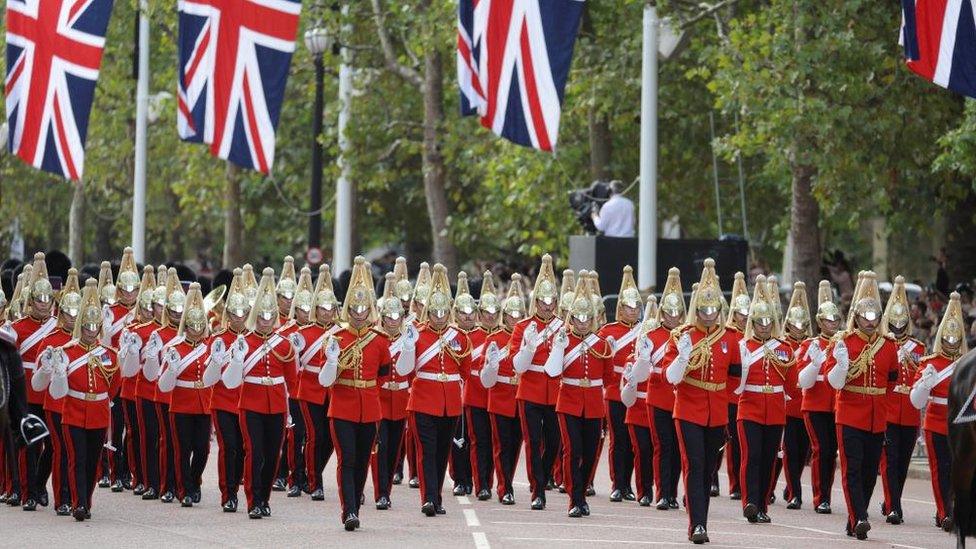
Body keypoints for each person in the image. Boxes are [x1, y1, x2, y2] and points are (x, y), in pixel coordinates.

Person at [315, 256, 402, 531]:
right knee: (347, 458)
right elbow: (324, 379)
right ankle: (349, 510)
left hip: (370, 408)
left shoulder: (379, 341)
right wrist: (331, 361)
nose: (360, 312)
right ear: (348, 309)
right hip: (342, 406)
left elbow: (383, 375)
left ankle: (355, 499)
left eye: (364, 307)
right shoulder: (335, 339)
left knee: (363, 460)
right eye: (355, 307)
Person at [663, 258, 741, 544]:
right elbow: (671, 377)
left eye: (712, 311)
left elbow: (735, 378)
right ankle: (698, 525)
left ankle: (697, 511)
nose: (708, 316)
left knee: (709, 468)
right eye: (703, 311)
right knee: (695, 465)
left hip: (716, 411)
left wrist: (725, 405)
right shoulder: (682, 335)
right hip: (688, 408)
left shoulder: (730, 338)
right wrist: (683, 357)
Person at [822, 271, 899, 540]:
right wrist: (842, 363)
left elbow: (891, 382)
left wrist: (880, 404)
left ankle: (855, 516)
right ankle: (861, 518)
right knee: (852, 468)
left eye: (874, 317)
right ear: (856, 317)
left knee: (869, 473)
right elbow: (834, 382)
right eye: (865, 317)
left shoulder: (888, 346)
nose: (870, 322)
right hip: (850, 413)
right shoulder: (843, 342)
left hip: (876, 416)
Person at [221, 267, 298, 519]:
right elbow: (231, 381)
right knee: (255, 452)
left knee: (273, 454)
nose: (265, 320)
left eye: (269, 316)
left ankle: (264, 498)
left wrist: (288, 411)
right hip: (251, 403)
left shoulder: (283, 343)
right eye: (261, 316)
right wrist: (237, 358)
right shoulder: (244, 342)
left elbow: (292, 381)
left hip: (276, 404)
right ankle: (253, 501)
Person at [41, 279, 120, 521]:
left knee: (93, 462)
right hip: (73, 411)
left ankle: (86, 499)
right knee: (77, 459)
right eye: (86, 326)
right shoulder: (66, 352)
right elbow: (57, 391)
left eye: (94, 327)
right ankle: (79, 504)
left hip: (97, 413)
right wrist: (60, 372)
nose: (90, 330)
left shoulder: (108, 354)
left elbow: (113, 386)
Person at [397, 264, 470, 517]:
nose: (439, 316)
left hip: (449, 402)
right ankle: (428, 498)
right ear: (427, 311)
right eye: (435, 312)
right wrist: (407, 347)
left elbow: (464, 370)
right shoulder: (415, 333)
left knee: (441, 452)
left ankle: (437, 496)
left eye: (443, 312)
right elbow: (406, 369)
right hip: (422, 400)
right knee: (427, 451)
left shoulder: (458, 336)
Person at [546, 276, 613, 517]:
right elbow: (553, 372)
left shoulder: (601, 343)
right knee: (572, 450)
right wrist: (559, 348)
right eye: (578, 318)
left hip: (593, 403)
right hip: (569, 401)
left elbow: (608, 378)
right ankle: (574, 499)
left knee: (590, 452)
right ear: (571, 318)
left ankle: (582, 493)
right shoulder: (563, 339)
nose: (583, 323)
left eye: (586, 318)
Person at [733, 275, 794, 524]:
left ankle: (762, 506)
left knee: (769, 460)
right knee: (752, 456)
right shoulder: (743, 346)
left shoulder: (784, 348)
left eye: (768, 322)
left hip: (775, 410)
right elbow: (736, 386)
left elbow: (790, 382)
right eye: (760, 323)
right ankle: (750, 502)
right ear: (753, 323)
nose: (765, 327)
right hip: (750, 408)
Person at [157, 283, 220, 507]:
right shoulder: (175, 348)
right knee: (181, 449)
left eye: (199, 324)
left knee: (202, 449)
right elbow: (164, 383)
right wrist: (172, 369)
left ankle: (194, 481)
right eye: (192, 325)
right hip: (181, 403)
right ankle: (184, 490)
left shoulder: (210, 345)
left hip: (203, 402)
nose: (196, 328)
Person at [510, 255, 564, 510]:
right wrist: (528, 347)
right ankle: (538, 489)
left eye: (551, 300)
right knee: (532, 441)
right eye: (542, 301)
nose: (546, 305)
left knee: (554, 441)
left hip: (554, 391)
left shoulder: (562, 327)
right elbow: (516, 365)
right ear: (535, 301)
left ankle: (542, 476)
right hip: (530, 389)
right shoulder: (523, 327)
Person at [910, 291, 966, 533]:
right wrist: (925, 382)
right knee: (939, 469)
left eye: (955, 340)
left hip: (960, 423)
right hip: (935, 421)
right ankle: (945, 513)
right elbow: (917, 400)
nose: (951, 344)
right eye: (948, 339)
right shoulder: (929, 362)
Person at [631, 267, 684, 511]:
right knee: (662, 446)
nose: (673, 317)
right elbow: (642, 369)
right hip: (657, 397)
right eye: (669, 313)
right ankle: (662, 493)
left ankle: (672, 492)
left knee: (677, 449)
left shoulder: (686, 335)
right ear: (662, 313)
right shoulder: (651, 335)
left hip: (679, 398)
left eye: (677, 313)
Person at [29, 268, 80, 515]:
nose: (73, 318)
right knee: (59, 450)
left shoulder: (88, 339)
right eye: (69, 313)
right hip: (56, 404)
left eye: (76, 313)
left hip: (81, 405)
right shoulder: (52, 337)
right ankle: (62, 498)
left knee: (69, 452)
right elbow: (40, 371)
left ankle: (72, 494)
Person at [201, 268, 251, 512]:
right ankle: (228, 494)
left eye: (243, 313)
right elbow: (209, 377)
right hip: (222, 400)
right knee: (228, 446)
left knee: (243, 448)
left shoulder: (255, 339)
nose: (239, 317)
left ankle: (237, 485)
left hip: (247, 401)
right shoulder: (217, 338)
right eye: (235, 313)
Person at [11, 253, 58, 511]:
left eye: (47, 299)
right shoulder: (18, 328)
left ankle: (40, 483)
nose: (43, 304)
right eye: (39, 299)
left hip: (52, 392)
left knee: (52, 445)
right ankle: (28, 493)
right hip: (26, 392)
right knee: (30, 443)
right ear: (31, 301)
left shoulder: (57, 326)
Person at [880, 276, 926, 525]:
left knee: (903, 463)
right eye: (894, 323)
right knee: (890, 461)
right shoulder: (883, 345)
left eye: (902, 323)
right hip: (888, 409)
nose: (898, 327)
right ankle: (894, 507)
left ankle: (890, 501)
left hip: (908, 410)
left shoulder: (917, 348)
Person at [293, 264, 340, 502]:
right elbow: (295, 365)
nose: (327, 312)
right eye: (323, 308)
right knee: (315, 435)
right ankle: (315, 483)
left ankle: (311, 472)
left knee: (331, 439)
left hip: (332, 391)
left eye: (331, 308)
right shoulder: (304, 333)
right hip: (310, 390)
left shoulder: (341, 332)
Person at [480, 274, 527, 505]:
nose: (515, 319)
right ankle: (504, 487)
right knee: (501, 446)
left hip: (520, 397)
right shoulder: (494, 338)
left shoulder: (529, 338)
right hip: (499, 397)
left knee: (515, 447)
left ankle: (506, 481)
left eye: (519, 315)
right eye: (511, 315)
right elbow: (485, 375)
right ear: (504, 316)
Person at [797, 280, 843, 514]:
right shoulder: (810, 344)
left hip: (836, 405)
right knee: (821, 448)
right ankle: (820, 497)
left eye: (836, 320)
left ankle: (826, 494)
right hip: (815, 405)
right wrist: (815, 363)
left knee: (832, 451)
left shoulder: (843, 344)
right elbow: (802, 381)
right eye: (828, 320)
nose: (832, 324)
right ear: (819, 322)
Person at [142, 268, 186, 503]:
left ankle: (183, 484)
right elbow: (150, 373)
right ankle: (162, 484)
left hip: (184, 395)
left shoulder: (190, 333)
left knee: (183, 443)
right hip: (160, 394)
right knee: (163, 440)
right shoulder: (156, 334)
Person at [598, 266, 641, 503]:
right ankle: (618, 483)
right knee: (618, 439)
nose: (633, 311)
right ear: (620, 308)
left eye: (636, 307)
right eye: (628, 307)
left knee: (634, 441)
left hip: (635, 392)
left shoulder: (645, 331)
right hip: (615, 390)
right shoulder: (608, 331)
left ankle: (628, 485)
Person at [371, 272, 412, 510]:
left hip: (401, 399)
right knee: (381, 447)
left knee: (395, 449)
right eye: (390, 316)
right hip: (381, 398)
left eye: (398, 316)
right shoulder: (377, 339)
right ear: (383, 318)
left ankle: (386, 487)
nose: (394, 320)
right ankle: (381, 492)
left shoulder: (408, 338)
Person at [620, 295, 658, 507]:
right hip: (637, 410)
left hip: (659, 409)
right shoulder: (631, 360)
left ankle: (664, 490)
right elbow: (626, 395)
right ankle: (644, 490)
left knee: (660, 451)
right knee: (642, 450)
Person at [108, 249, 140, 494]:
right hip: (113, 373)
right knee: (115, 426)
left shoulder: (143, 313)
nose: (129, 294)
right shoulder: (111, 312)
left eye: (133, 289)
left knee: (134, 428)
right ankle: (115, 471)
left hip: (135, 376)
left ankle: (130, 470)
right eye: (125, 289)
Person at [462, 271, 496, 501]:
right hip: (475, 394)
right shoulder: (469, 336)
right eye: (486, 313)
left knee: (496, 442)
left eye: (495, 313)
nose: (491, 317)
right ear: (479, 313)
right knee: (478, 440)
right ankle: (480, 483)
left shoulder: (506, 336)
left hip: (498, 394)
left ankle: (490, 481)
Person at [272, 256, 304, 496]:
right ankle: (281, 474)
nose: (290, 302)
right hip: (278, 384)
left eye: (294, 298)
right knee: (281, 433)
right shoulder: (271, 323)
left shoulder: (302, 324)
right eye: (286, 298)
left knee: (298, 433)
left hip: (301, 384)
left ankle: (296, 474)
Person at [780, 282, 812, 510]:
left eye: (803, 325)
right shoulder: (782, 346)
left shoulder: (813, 345)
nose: (799, 329)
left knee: (803, 453)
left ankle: (793, 485)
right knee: (790, 451)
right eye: (795, 325)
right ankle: (795, 493)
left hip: (807, 404)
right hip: (789, 405)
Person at [720, 272, 749, 501]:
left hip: (747, 396)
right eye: (742, 314)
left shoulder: (754, 337)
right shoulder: (730, 336)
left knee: (741, 444)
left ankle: (740, 484)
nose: (745, 318)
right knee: (724, 441)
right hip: (728, 396)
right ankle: (719, 481)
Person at [450, 272, 477, 497]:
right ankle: (460, 478)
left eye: (471, 314)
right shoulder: (451, 336)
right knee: (457, 439)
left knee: (474, 439)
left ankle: (473, 477)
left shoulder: (481, 335)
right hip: (454, 393)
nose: (467, 318)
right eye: (463, 314)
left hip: (475, 394)